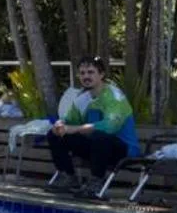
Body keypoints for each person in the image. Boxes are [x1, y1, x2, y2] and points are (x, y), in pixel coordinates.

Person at [47, 55, 141, 190]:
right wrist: (60, 125)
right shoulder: (82, 99)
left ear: (101, 74)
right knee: (54, 134)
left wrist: (75, 128)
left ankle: (96, 182)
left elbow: (110, 126)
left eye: (91, 72)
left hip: (124, 150)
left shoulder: (114, 96)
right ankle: (68, 177)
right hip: (96, 149)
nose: (86, 76)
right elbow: (69, 120)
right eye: (82, 73)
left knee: (100, 135)